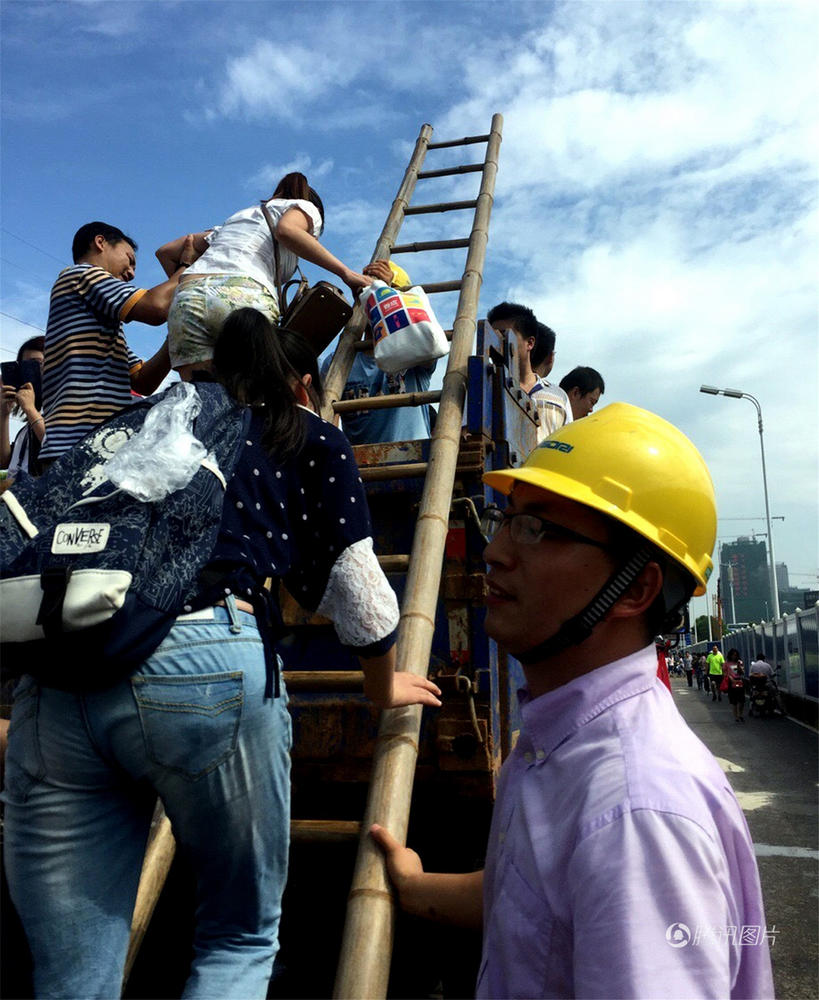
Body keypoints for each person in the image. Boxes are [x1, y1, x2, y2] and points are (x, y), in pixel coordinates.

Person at [2, 308, 441, 1000]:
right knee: (237, 936)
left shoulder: (146, 418)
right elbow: (357, 592)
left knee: (70, 976)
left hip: (56, 671)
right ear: (299, 382)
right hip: (203, 654)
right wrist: (383, 685)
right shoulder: (301, 435)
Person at [372, 403, 773, 999]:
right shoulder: (558, 744)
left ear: (635, 588)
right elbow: (535, 898)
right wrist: (415, 886)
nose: (496, 552)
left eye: (540, 530)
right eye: (505, 520)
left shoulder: (636, 816)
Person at [162, 171, 371, 380]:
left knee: (197, 402)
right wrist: (346, 273)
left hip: (187, 300)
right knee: (252, 400)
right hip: (242, 295)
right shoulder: (306, 207)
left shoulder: (238, 219)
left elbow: (167, 252)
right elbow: (287, 231)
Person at [38, 222, 196, 464]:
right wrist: (187, 267)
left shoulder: (100, 328)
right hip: (79, 446)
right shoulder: (81, 274)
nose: (132, 273)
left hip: (95, 446)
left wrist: (175, 335)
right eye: (130, 259)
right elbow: (155, 307)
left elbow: (142, 381)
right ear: (100, 243)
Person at [323, 259, 438, 443]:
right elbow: (327, 417)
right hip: (362, 465)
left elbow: (429, 340)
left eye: (386, 295)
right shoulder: (339, 363)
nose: (378, 299)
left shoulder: (415, 348)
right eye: (371, 295)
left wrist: (388, 292)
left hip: (413, 461)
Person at [487, 303, 572, 440]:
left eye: (504, 335)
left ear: (530, 343)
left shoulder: (559, 397)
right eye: (492, 335)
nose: (496, 342)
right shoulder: (484, 388)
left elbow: (569, 444)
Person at [1, 336, 45, 478]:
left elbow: (60, 449)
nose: (30, 373)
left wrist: (30, 409)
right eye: (24, 367)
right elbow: (3, 461)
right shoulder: (26, 429)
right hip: (19, 496)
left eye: (37, 364)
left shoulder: (65, 410)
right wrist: (3, 414)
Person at [724, 648, 746, 723]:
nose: (734, 657)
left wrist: (739, 667)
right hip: (731, 682)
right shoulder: (727, 663)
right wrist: (730, 678)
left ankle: (741, 714)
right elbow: (724, 673)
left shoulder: (740, 662)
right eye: (733, 655)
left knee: (742, 701)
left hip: (739, 681)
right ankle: (736, 716)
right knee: (734, 701)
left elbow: (743, 672)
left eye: (736, 655)